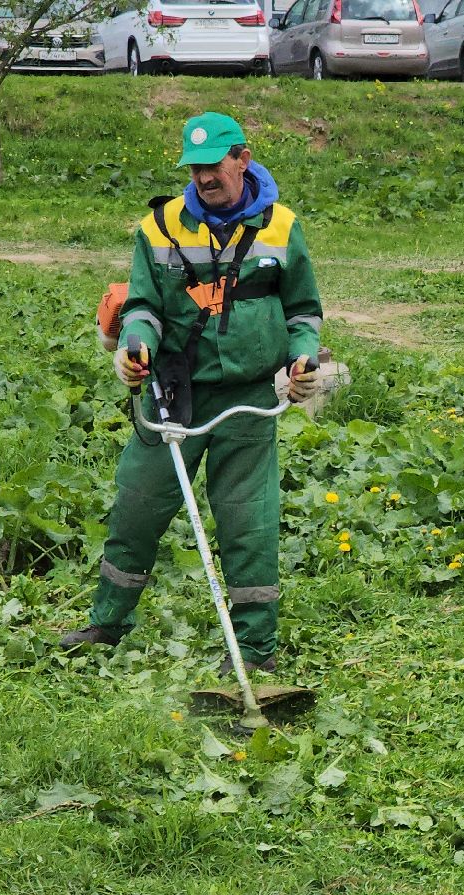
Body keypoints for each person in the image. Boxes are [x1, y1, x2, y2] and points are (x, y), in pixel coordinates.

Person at [60, 111, 323, 675]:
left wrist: (303, 354)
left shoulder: (281, 227)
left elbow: (302, 309)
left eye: (214, 166)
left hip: (248, 397)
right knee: (136, 503)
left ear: (242, 159)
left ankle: (255, 652)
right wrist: (134, 347)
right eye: (195, 168)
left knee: (248, 520)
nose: (204, 178)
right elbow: (142, 307)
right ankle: (107, 622)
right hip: (172, 390)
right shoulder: (160, 229)